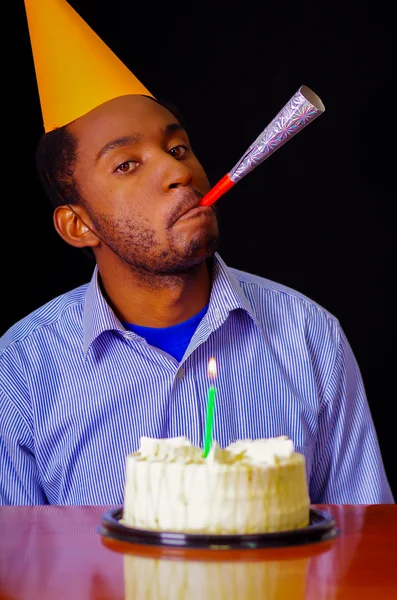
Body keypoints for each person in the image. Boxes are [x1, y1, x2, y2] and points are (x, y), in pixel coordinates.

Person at [1, 0, 394, 506]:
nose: (177, 172)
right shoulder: (24, 365)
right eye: (126, 165)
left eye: (178, 148)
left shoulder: (309, 334)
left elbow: (363, 548)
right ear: (78, 226)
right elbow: (18, 569)